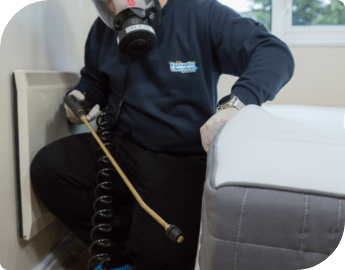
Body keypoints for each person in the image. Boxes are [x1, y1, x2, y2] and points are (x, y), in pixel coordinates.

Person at [30, 0, 295, 269]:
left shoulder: (202, 13)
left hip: (179, 157)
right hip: (119, 146)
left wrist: (236, 105)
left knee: (157, 258)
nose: (114, 6)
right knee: (49, 168)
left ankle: (142, 239)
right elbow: (95, 79)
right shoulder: (104, 28)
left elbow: (274, 52)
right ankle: (117, 255)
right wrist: (81, 95)